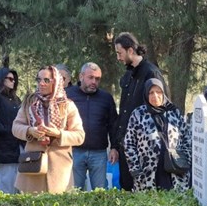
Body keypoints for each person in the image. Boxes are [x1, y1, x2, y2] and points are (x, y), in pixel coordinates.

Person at [11, 66, 84, 193]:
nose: (41, 83)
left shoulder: (67, 105)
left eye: (46, 80)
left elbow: (79, 136)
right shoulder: (29, 102)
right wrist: (30, 131)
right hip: (33, 166)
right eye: (39, 80)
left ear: (55, 82)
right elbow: (16, 127)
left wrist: (58, 134)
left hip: (59, 169)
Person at [112, 32, 164, 192]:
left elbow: (160, 110)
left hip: (145, 150)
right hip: (125, 147)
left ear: (130, 50)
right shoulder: (128, 75)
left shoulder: (151, 73)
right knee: (126, 188)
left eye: (119, 53)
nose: (118, 58)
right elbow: (123, 115)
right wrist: (115, 144)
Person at [124, 79, 191, 192]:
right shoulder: (138, 114)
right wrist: (135, 169)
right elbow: (129, 143)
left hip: (175, 171)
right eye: (151, 92)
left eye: (158, 92)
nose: (155, 95)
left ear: (164, 93)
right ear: (146, 94)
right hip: (147, 174)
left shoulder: (174, 112)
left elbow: (187, 139)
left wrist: (185, 161)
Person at [67, 62, 117, 190]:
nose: (94, 81)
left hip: (99, 153)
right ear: (81, 76)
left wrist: (114, 148)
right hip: (74, 151)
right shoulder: (68, 95)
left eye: (97, 79)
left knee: (100, 193)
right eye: (91, 77)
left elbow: (113, 125)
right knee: (73, 192)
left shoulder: (106, 98)